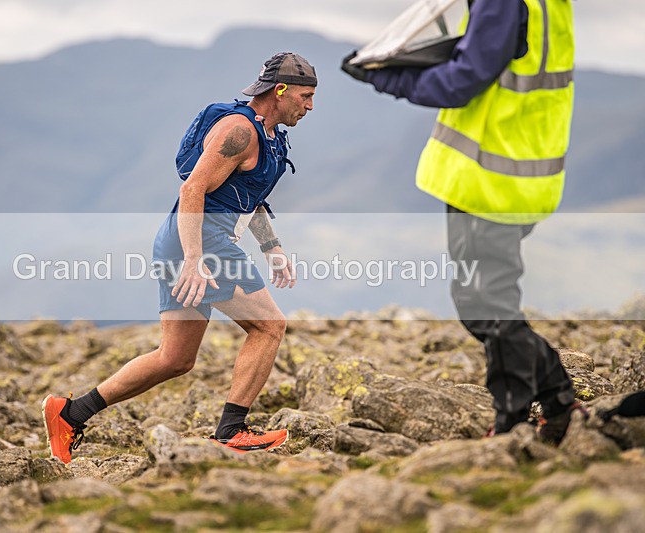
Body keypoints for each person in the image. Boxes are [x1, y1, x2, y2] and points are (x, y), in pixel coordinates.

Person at [42, 52, 317, 463]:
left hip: (184, 240)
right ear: (280, 92)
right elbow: (193, 189)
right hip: (200, 242)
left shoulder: (271, 135)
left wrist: (271, 246)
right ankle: (231, 431)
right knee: (269, 326)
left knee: (175, 359)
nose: (309, 106)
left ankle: (70, 413)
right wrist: (194, 259)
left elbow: (248, 196)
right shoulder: (239, 131)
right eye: (305, 96)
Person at [342, 0, 582, 444]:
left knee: (484, 303)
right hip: (526, 172)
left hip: (486, 178)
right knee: (487, 302)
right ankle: (554, 396)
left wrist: (383, 75)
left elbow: (461, 80)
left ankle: (520, 417)